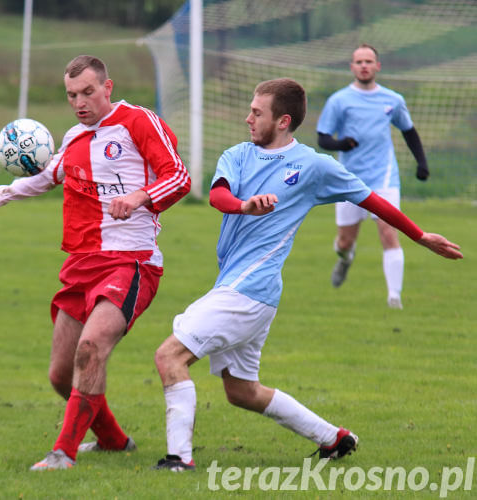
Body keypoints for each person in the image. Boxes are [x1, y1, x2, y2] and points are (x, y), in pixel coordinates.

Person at [152, 78, 461, 471]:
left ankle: (179, 460)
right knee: (241, 391)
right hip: (241, 288)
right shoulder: (238, 154)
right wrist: (245, 206)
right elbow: (217, 196)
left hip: (249, 290)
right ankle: (334, 439)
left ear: (283, 121)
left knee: (169, 357)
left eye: (257, 113)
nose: (248, 118)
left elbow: (372, 199)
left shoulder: (314, 166)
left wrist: (419, 235)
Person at [0, 55, 191, 471]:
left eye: (88, 92)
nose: (80, 102)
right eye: (72, 95)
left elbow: (179, 175)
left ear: (108, 87)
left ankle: (62, 453)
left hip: (131, 261)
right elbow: (48, 176)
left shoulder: (138, 122)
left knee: (91, 349)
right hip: (82, 264)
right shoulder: (73, 137)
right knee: (59, 375)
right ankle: (113, 442)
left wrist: (139, 197)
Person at [317, 44, 430, 309]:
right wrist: (341, 144)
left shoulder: (393, 100)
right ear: (352, 67)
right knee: (345, 241)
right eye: (359, 61)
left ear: (378, 66)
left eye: (369, 61)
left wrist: (422, 163)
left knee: (389, 231)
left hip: (384, 177)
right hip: (348, 180)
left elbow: (409, 131)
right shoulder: (339, 100)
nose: (364, 66)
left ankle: (394, 298)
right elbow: (323, 138)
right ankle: (345, 258)